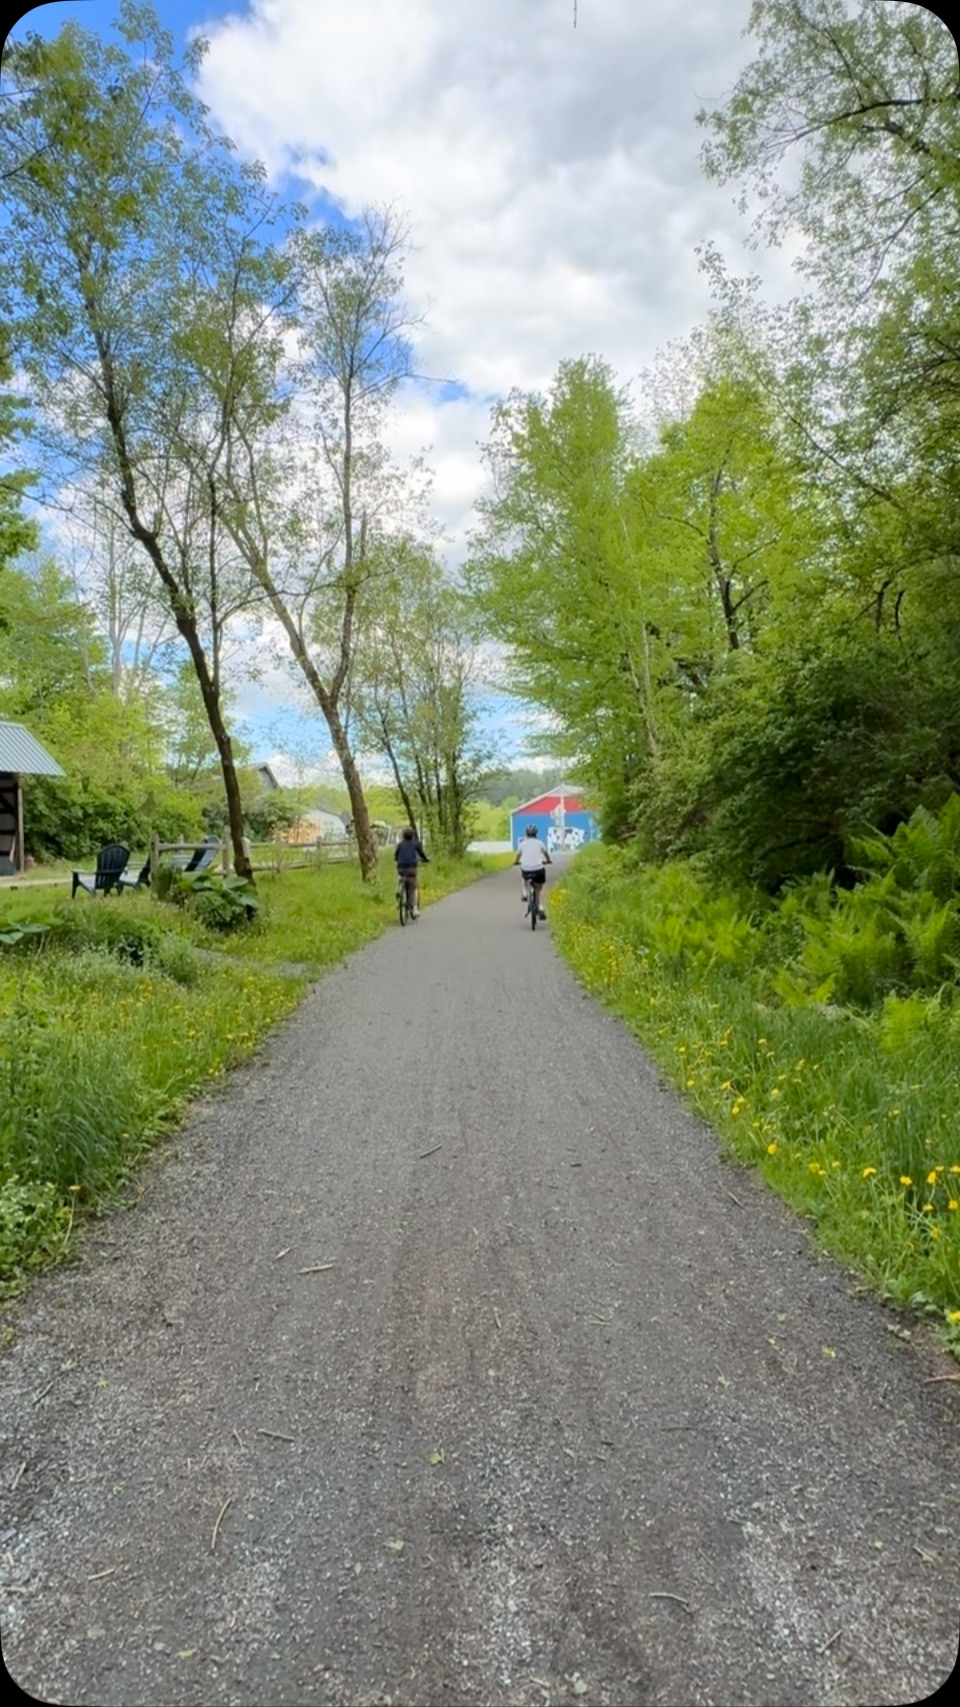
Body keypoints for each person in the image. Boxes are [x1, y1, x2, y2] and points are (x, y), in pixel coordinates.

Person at [514, 823, 552, 918]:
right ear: (536, 834)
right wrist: (548, 860)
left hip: (526, 870)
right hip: (538, 869)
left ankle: (524, 892)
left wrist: (516, 862)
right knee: (539, 887)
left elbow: (518, 855)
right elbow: (546, 853)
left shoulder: (522, 844)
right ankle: (540, 906)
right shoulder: (540, 843)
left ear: (526, 834)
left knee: (523, 876)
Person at [394, 825, 429, 917]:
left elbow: (396, 856)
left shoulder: (400, 844)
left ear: (403, 836)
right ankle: (414, 909)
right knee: (414, 888)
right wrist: (426, 860)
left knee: (400, 876)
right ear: (412, 836)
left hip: (401, 867)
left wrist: (397, 859)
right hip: (411, 868)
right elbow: (421, 854)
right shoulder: (416, 844)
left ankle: (398, 889)